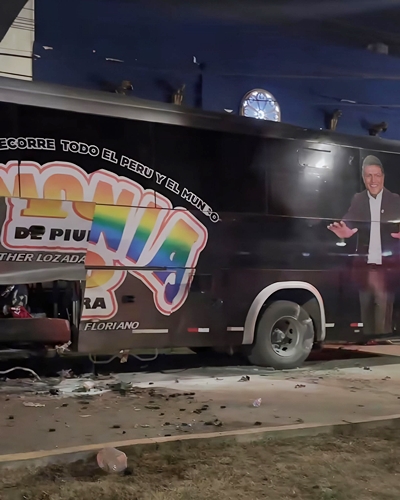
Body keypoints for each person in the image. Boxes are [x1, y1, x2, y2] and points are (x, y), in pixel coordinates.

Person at [328, 155, 400, 336]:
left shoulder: (395, 200)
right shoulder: (359, 199)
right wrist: (344, 230)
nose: (373, 180)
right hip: (364, 269)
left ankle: (381, 345)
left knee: (382, 315)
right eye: (369, 175)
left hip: (386, 269)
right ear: (363, 178)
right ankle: (369, 343)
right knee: (366, 313)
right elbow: (349, 219)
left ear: (383, 177)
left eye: (377, 175)